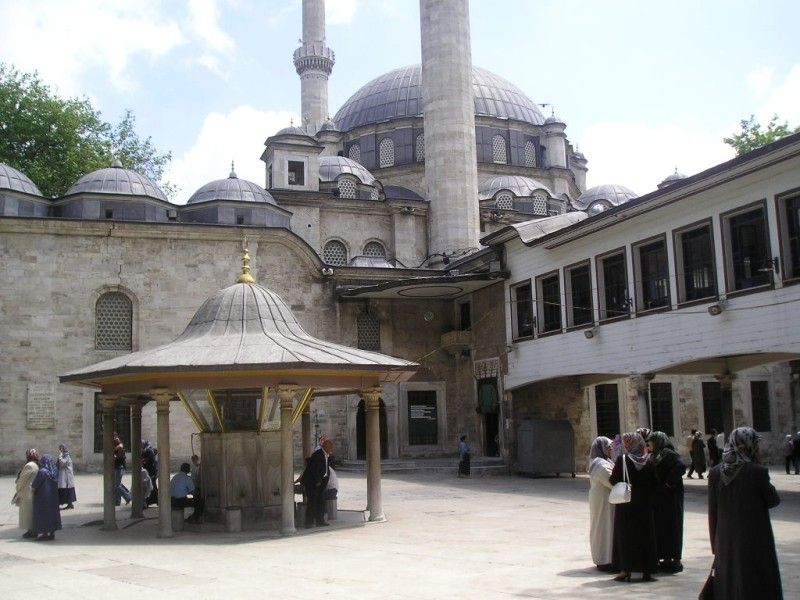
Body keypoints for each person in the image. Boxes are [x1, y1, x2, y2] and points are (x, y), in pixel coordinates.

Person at [708, 427, 782, 599]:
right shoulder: (757, 471)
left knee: (728, 582)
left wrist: (715, 543)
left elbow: (713, 511)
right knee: (756, 581)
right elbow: (773, 500)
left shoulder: (716, 472)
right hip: (755, 537)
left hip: (725, 538)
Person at [609, 432, 657, 583]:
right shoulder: (649, 461)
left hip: (626, 505)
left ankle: (625, 569)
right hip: (644, 506)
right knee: (646, 535)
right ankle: (647, 570)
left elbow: (613, 480)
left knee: (626, 537)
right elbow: (655, 482)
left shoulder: (622, 460)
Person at [647, 431, 685, 573]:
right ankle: (665, 558)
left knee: (673, 527)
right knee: (662, 527)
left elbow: (680, 467)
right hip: (660, 499)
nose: (648, 444)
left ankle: (675, 559)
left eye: (651, 441)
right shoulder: (655, 455)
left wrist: (669, 483)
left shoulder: (668, 453)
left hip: (671, 498)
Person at [587, 436, 615, 572]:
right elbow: (612, 481)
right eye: (608, 447)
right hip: (603, 500)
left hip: (606, 499)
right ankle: (604, 559)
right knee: (603, 528)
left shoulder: (605, 461)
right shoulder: (600, 464)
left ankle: (610, 557)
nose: (611, 449)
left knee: (608, 528)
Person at [299, 438, 334, 527]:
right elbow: (314, 469)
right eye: (330, 447)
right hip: (313, 482)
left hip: (321, 482)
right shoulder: (318, 454)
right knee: (312, 502)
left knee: (321, 501)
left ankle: (320, 521)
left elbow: (325, 468)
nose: (332, 449)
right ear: (325, 446)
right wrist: (318, 481)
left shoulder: (327, 455)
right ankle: (309, 522)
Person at [31, 454, 62, 541]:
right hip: (53, 498)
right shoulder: (55, 471)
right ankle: (52, 533)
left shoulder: (42, 472)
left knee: (43, 515)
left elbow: (35, 485)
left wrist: (32, 489)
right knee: (52, 514)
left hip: (42, 498)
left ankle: (44, 533)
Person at [13, 449, 39, 539]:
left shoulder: (29, 466)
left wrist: (18, 487)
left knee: (27, 512)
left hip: (26, 492)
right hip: (30, 491)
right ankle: (32, 530)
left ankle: (31, 530)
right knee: (30, 511)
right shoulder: (35, 465)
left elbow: (22, 480)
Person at [113, 434, 131, 505]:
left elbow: (120, 458)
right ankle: (117, 501)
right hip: (116, 467)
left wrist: (115, 457)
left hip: (119, 468)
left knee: (117, 485)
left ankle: (128, 496)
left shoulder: (120, 448)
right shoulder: (116, 448)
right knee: (117, 484)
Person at [56, 444, 76, 509]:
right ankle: (69, 504)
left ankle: (69, 504)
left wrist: (60, 457)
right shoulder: (64, 455)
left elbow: (63, 463)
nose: (61, 450)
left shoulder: (66, 456)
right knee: (65, 489)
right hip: (63, 476)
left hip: (66, 477)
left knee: (66, 489)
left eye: (62, 448)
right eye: (60, 448)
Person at [142, 440, 158, 506]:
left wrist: (144, 460)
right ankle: (153, 500)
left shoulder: (149, 450)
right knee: (151, 485)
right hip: (149, 471)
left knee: (152, 486)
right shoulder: (146, 450)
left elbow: (152, 459)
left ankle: (153, 500)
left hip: (151, 471)